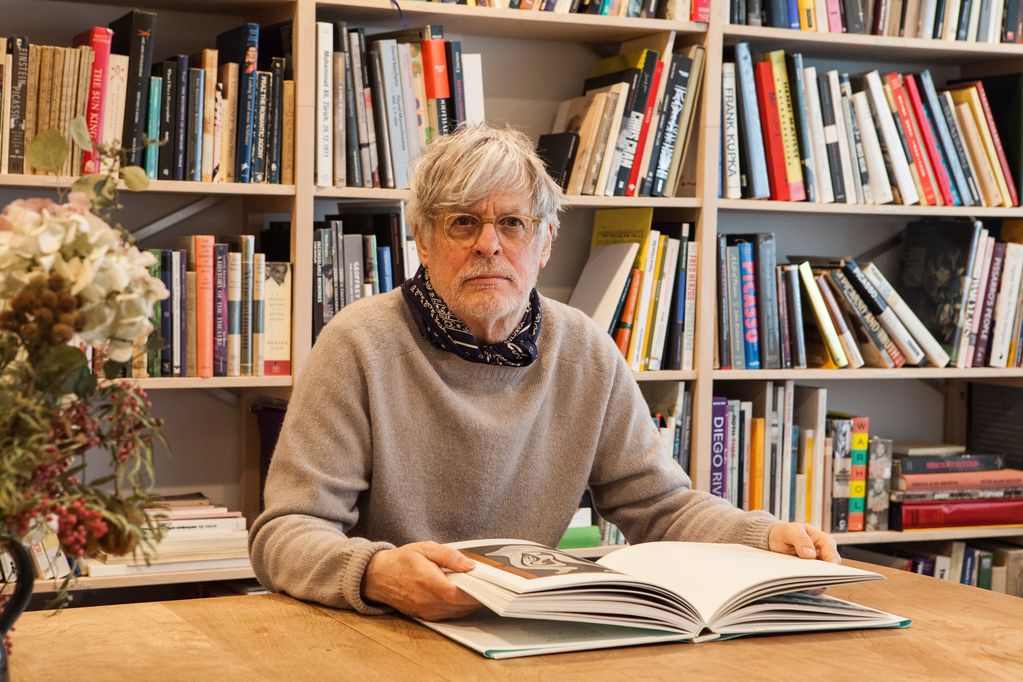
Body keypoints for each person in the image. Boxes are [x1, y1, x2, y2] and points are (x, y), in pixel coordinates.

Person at [249, 123, 839, 622]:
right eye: (462, 223)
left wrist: (761, 537)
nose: (489, 245)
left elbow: (661, 507)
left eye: (513, 224)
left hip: (526, 632)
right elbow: (286, 533)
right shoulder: (358, 344)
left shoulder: (583, 348)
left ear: (546, 241)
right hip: (387, 632)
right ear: (423, 241)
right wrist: (375, 573)